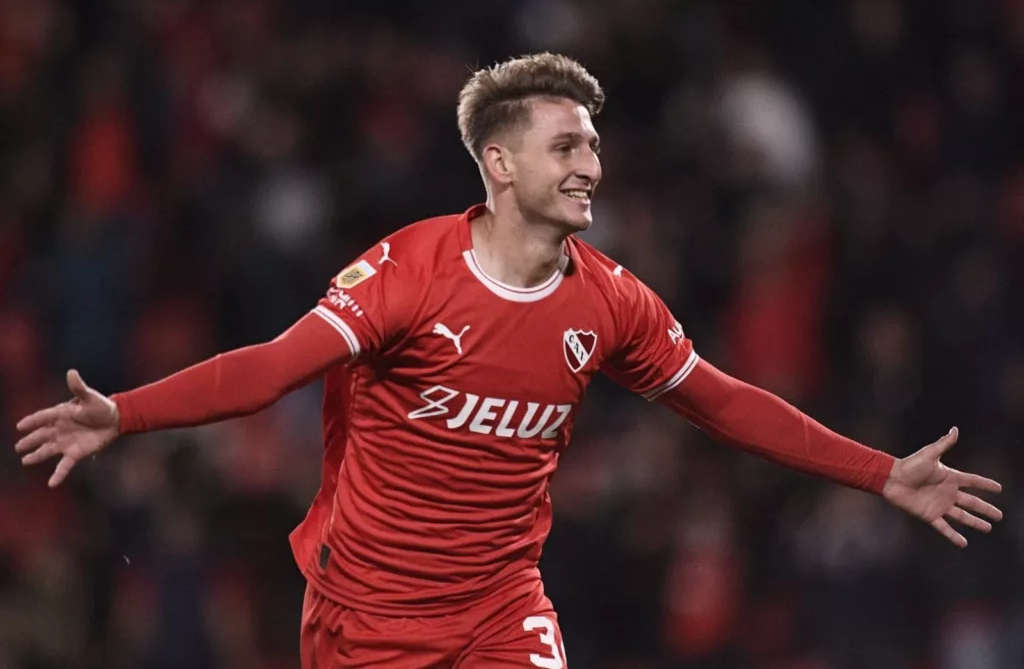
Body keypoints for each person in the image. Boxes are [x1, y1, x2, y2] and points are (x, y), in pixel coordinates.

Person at [14, 52, 1003, 668]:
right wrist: (124, 413)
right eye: (566, 144)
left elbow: (722, 401)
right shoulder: (407, 273)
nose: (590, 165)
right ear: (499, 162)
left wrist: (880, 471)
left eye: (594, 143)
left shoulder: (609, 298)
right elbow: (272, 367)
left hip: (501, 607)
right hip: (368, 620)